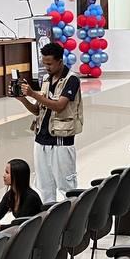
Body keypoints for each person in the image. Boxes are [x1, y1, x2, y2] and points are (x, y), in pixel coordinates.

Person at [14, 42, 82, 204]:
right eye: (44, 64)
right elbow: (37, 110)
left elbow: (59, 106)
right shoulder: (45, 79)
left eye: (50, 64)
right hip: (41, 139)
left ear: (60, 61)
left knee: (67, 187)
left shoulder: (72, 80)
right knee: (44, 187)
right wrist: (23, 99)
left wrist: (33, 93)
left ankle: (73, 216)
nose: (46, 67)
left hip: (61, 140)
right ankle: (48, 217)